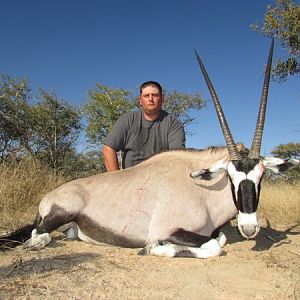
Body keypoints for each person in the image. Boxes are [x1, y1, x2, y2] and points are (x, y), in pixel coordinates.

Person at [102, 81, 186, 171]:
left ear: (162, 99)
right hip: (130, 178)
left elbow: (178, 157)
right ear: (140, 100)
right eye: (146, 96)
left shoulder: (174, 123)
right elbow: (108, 149)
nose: (150, 99)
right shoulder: (128, 119)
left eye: (155, 95)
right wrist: (117, 181)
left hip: (160, 178)